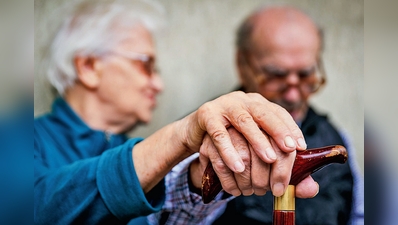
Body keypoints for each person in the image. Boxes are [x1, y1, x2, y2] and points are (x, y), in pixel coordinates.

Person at [34, 1, 318, 224]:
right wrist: (178, 136)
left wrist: (201, 176)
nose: (159, 84)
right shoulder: (17, 140)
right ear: (88, 67)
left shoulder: (129, 152)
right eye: (146, 65)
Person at [209, 6, 364, 225]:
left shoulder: (336, 138)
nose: (293, 95)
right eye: (276, 75)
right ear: (242, 65)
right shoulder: (206, 139)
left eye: (306, 75)